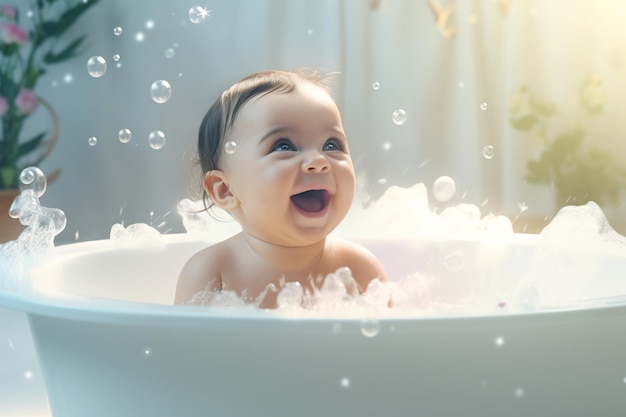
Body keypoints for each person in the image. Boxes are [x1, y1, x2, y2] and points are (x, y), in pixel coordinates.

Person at [175, 69, 388, 308]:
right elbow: (187, 344)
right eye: (283, 145)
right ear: (226, 190)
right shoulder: (212, 273)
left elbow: (394, 343)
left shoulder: (359, 269)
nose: (318, 161)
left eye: (331, 144)